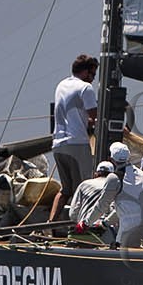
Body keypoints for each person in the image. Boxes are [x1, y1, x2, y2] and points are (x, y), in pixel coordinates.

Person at [49, 54, 100, 203]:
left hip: (58, 145)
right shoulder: (85, 87)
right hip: (76, 143)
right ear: (85, 72)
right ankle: (80, 223)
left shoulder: (61, 85)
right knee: (86, 186)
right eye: (92, 74)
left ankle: (50, 223)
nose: (93, 79)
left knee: (65, 190)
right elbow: (95, 116)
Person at [100, 149, 143, 248]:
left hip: (130, 230)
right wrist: (105, 223)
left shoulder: (114, 178)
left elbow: (101, 205)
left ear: (111, 160)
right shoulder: (141, 174)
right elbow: (131, 207)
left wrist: (85, 223)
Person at [68, 159, 116, 228]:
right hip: (105, 229)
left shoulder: (84, 184)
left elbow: (73, 213)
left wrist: (79, 223)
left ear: (96, 174)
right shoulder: (115, 186)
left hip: (84, 228)